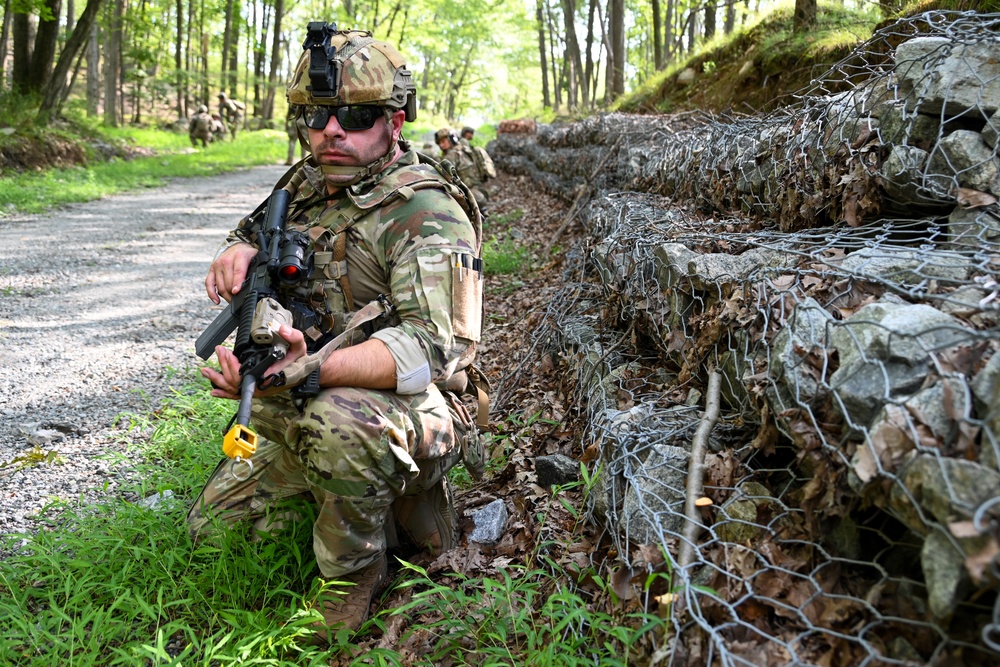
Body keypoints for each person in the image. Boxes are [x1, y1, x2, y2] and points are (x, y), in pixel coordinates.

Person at [189, 23, 484, 646]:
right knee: (211, 533)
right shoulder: (304, 183)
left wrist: (312, 370)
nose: (333, 131)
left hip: (416, 403)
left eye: (354, 115)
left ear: (394, 121)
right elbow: (255, 233)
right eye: (316, 116)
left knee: (337, 420)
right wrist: (236, 253)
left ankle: (355, 579)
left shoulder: (424, 212)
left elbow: (437, 348)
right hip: (312, 388)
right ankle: (354, 500)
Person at [435, 127, 489, 208]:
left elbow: (441, 178)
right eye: (439, 143)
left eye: (443, 141)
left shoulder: (451, 156)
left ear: (451, 139)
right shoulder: (465, 149)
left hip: (469, 195)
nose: (441, 145)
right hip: (480, 192)